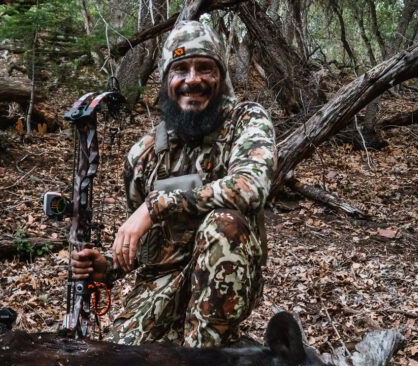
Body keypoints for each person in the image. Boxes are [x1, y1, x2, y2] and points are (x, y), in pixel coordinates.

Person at [72, 20, 277, 347]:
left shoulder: (246, 120)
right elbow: (145, 245)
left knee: (224, 225)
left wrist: (157, 204)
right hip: (160, 286)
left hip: (223, 282)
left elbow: (251, 187)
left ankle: (204, 359)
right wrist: (106, 266)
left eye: (205, 68)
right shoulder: (144, 155)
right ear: (166, 80)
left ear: (220, 76)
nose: (192, 79)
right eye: (180, 69)